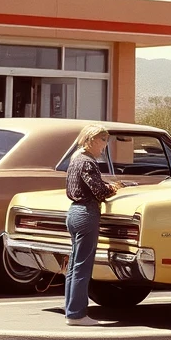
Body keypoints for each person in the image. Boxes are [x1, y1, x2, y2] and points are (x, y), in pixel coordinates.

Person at [64, 123, 119, 326]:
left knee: (74, 266)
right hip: (87, 213)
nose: (105, 145)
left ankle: (71, 311)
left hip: (74, 212)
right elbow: (99, 192)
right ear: (92, 140)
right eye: (103, 140)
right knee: (82, 267)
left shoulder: (75, 159)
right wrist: (112, 188)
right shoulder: (87, 162)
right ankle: (77, 314)